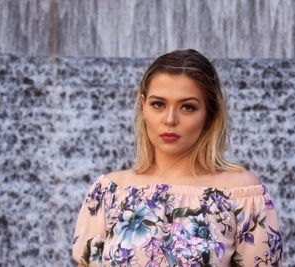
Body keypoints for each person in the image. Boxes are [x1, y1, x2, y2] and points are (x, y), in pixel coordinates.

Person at [72, 49, 283, 266]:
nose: (170, 119)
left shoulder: (243, 195)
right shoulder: (108, 191)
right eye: (158, 104)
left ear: (210, 114)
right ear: (143, 106)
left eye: (187, 107)